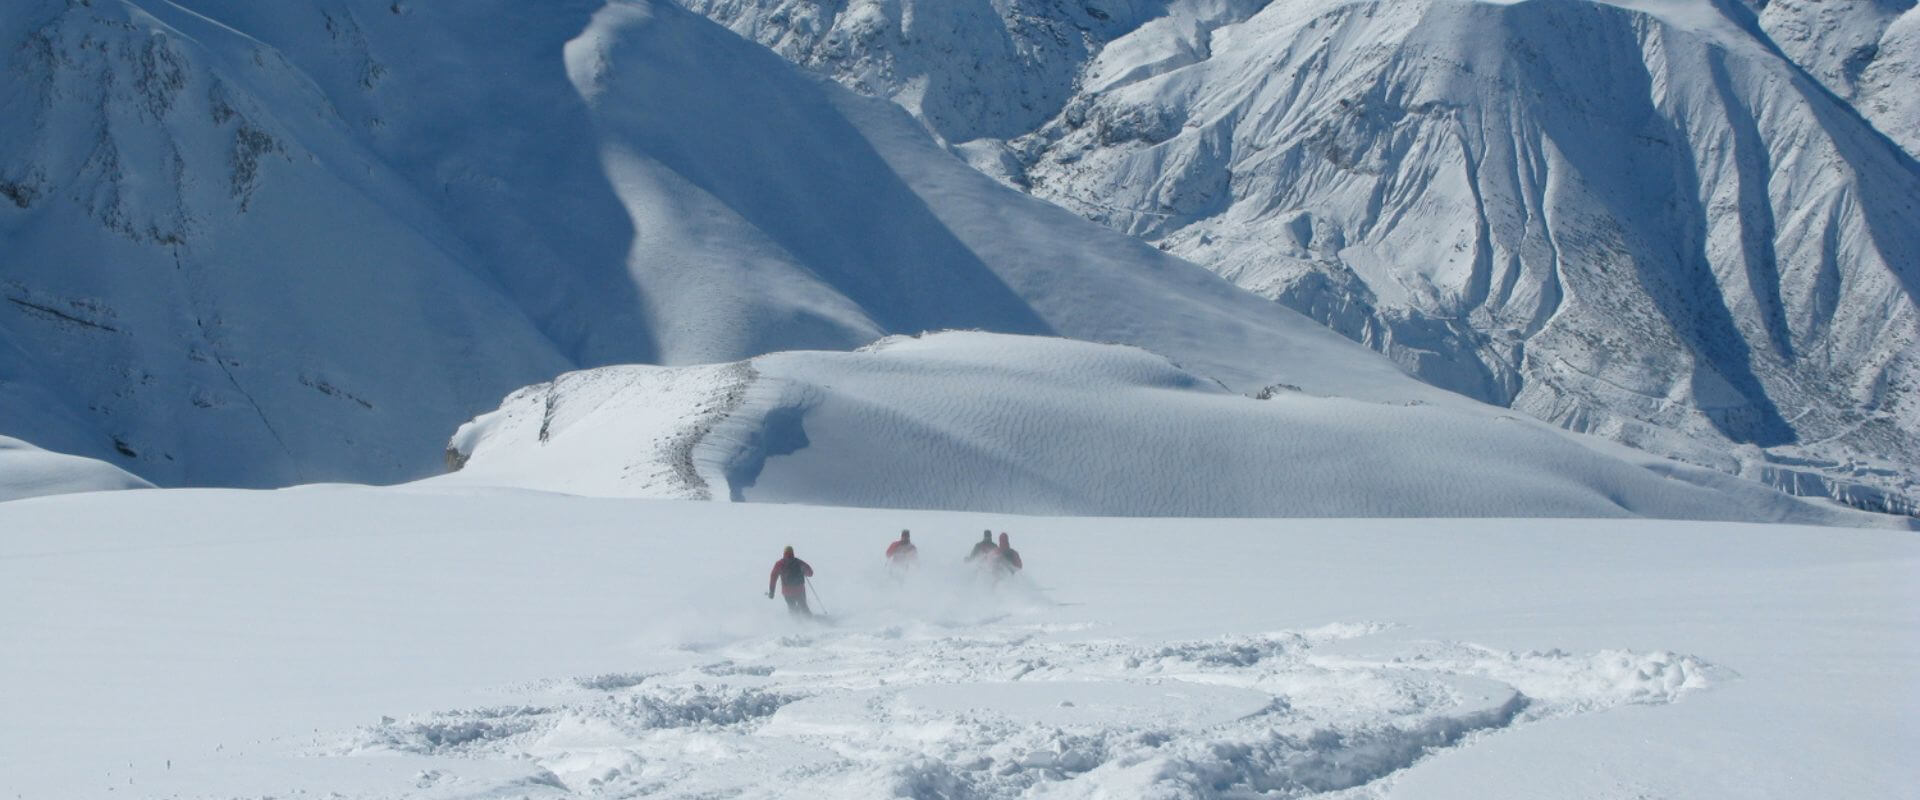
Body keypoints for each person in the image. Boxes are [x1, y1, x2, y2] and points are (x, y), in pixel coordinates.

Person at [767, 545, 814, 616]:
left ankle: (794, 622)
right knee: (803, 606)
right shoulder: (799, 562)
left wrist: (772, 592)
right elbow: (810, 573)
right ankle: (810, 621)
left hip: (787, 591)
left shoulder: (779, 564)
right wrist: (804, 572)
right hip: (799, 590)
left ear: (784, 553)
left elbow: (773, 577)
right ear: (792, 553)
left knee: (792, 608)